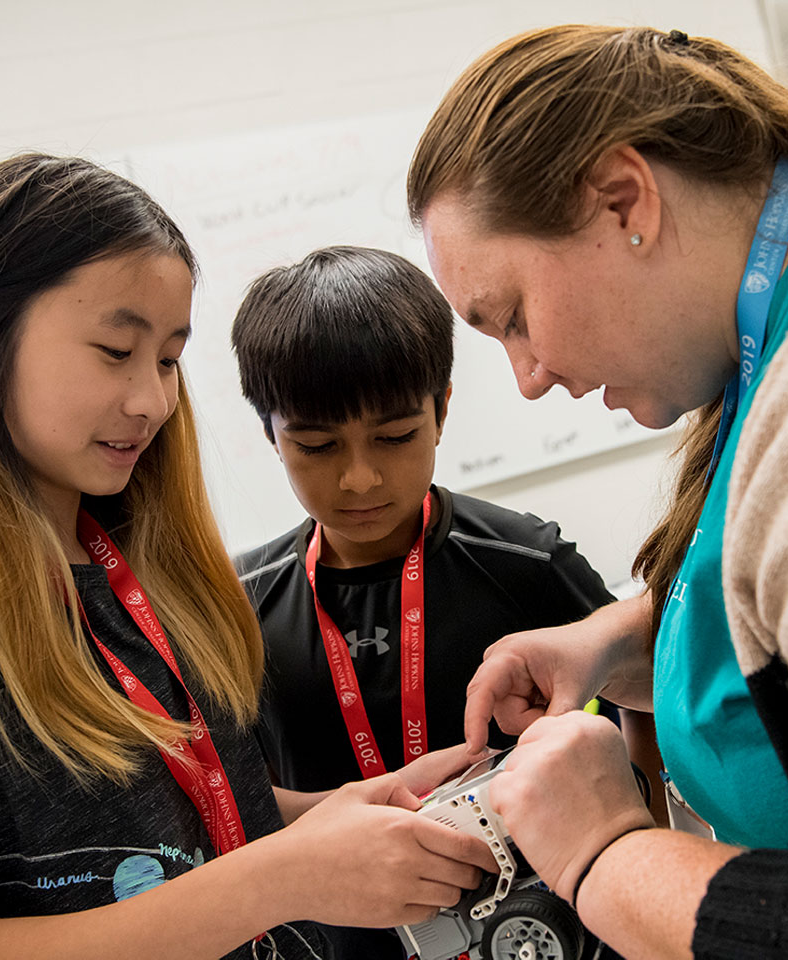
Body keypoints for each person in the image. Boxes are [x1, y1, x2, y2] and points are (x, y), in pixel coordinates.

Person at [0, 155, 494, 960]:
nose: (151, 400)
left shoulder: (138, 556)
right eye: (116, 351)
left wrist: (341, 812)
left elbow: (184, 828)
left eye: (170, 358)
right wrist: (282, 877)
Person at [408, 23, 788, 960]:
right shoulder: (754, 369)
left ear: (626, 199)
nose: (530, 377)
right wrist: (623, 642)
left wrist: (602, 853)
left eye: (515, 318)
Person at [231, 245, 615, 959]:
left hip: (538, 937)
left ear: (440, 410)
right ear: (270, 435)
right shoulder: (234, 611)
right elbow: (232, 808)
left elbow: (636, 714)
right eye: (316, 446)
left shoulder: (528, 564)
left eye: (396, 436)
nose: (360, 478)